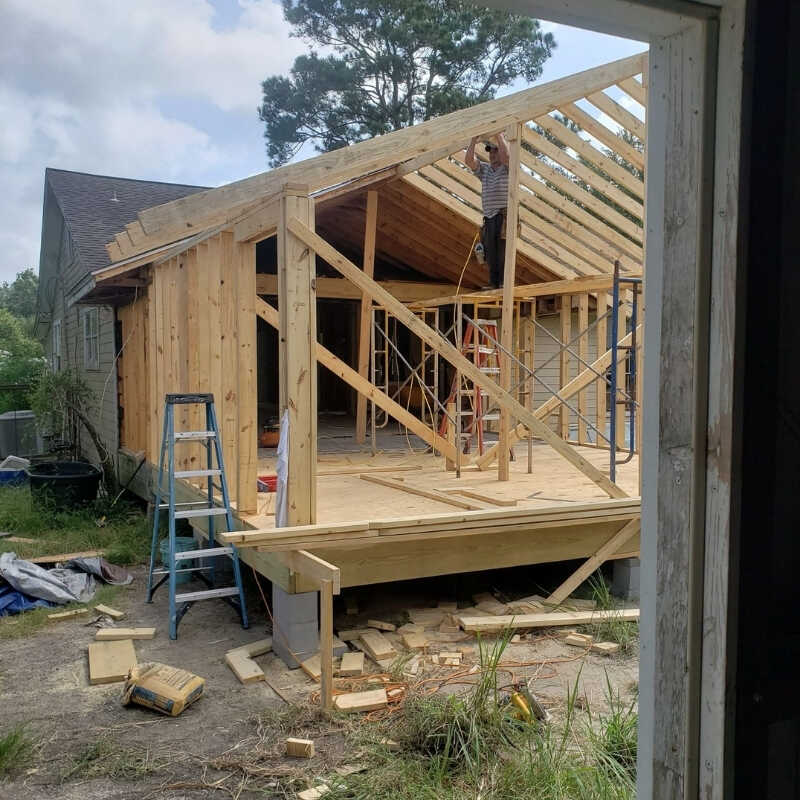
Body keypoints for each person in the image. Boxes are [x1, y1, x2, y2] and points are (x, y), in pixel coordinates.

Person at [465, 132, 510, 289]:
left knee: (503, 251)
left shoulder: (507, 167)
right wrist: (473, 140)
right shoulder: (485, 170)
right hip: (489, 217)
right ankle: (494, 283)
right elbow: (469, 161)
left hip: (504, 215)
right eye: (490, 151)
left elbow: (507, 157)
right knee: (490, 251)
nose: (491, 154)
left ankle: (504, 283)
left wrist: (499, 136)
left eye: (495, 150)